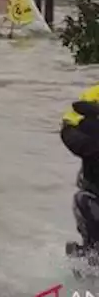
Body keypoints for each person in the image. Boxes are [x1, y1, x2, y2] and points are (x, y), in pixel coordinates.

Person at [62, 85, 99, 256]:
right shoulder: (93, 95)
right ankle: (85, 260)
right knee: (85, 202)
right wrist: (92, 145)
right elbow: (68, 128)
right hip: (93, 187)